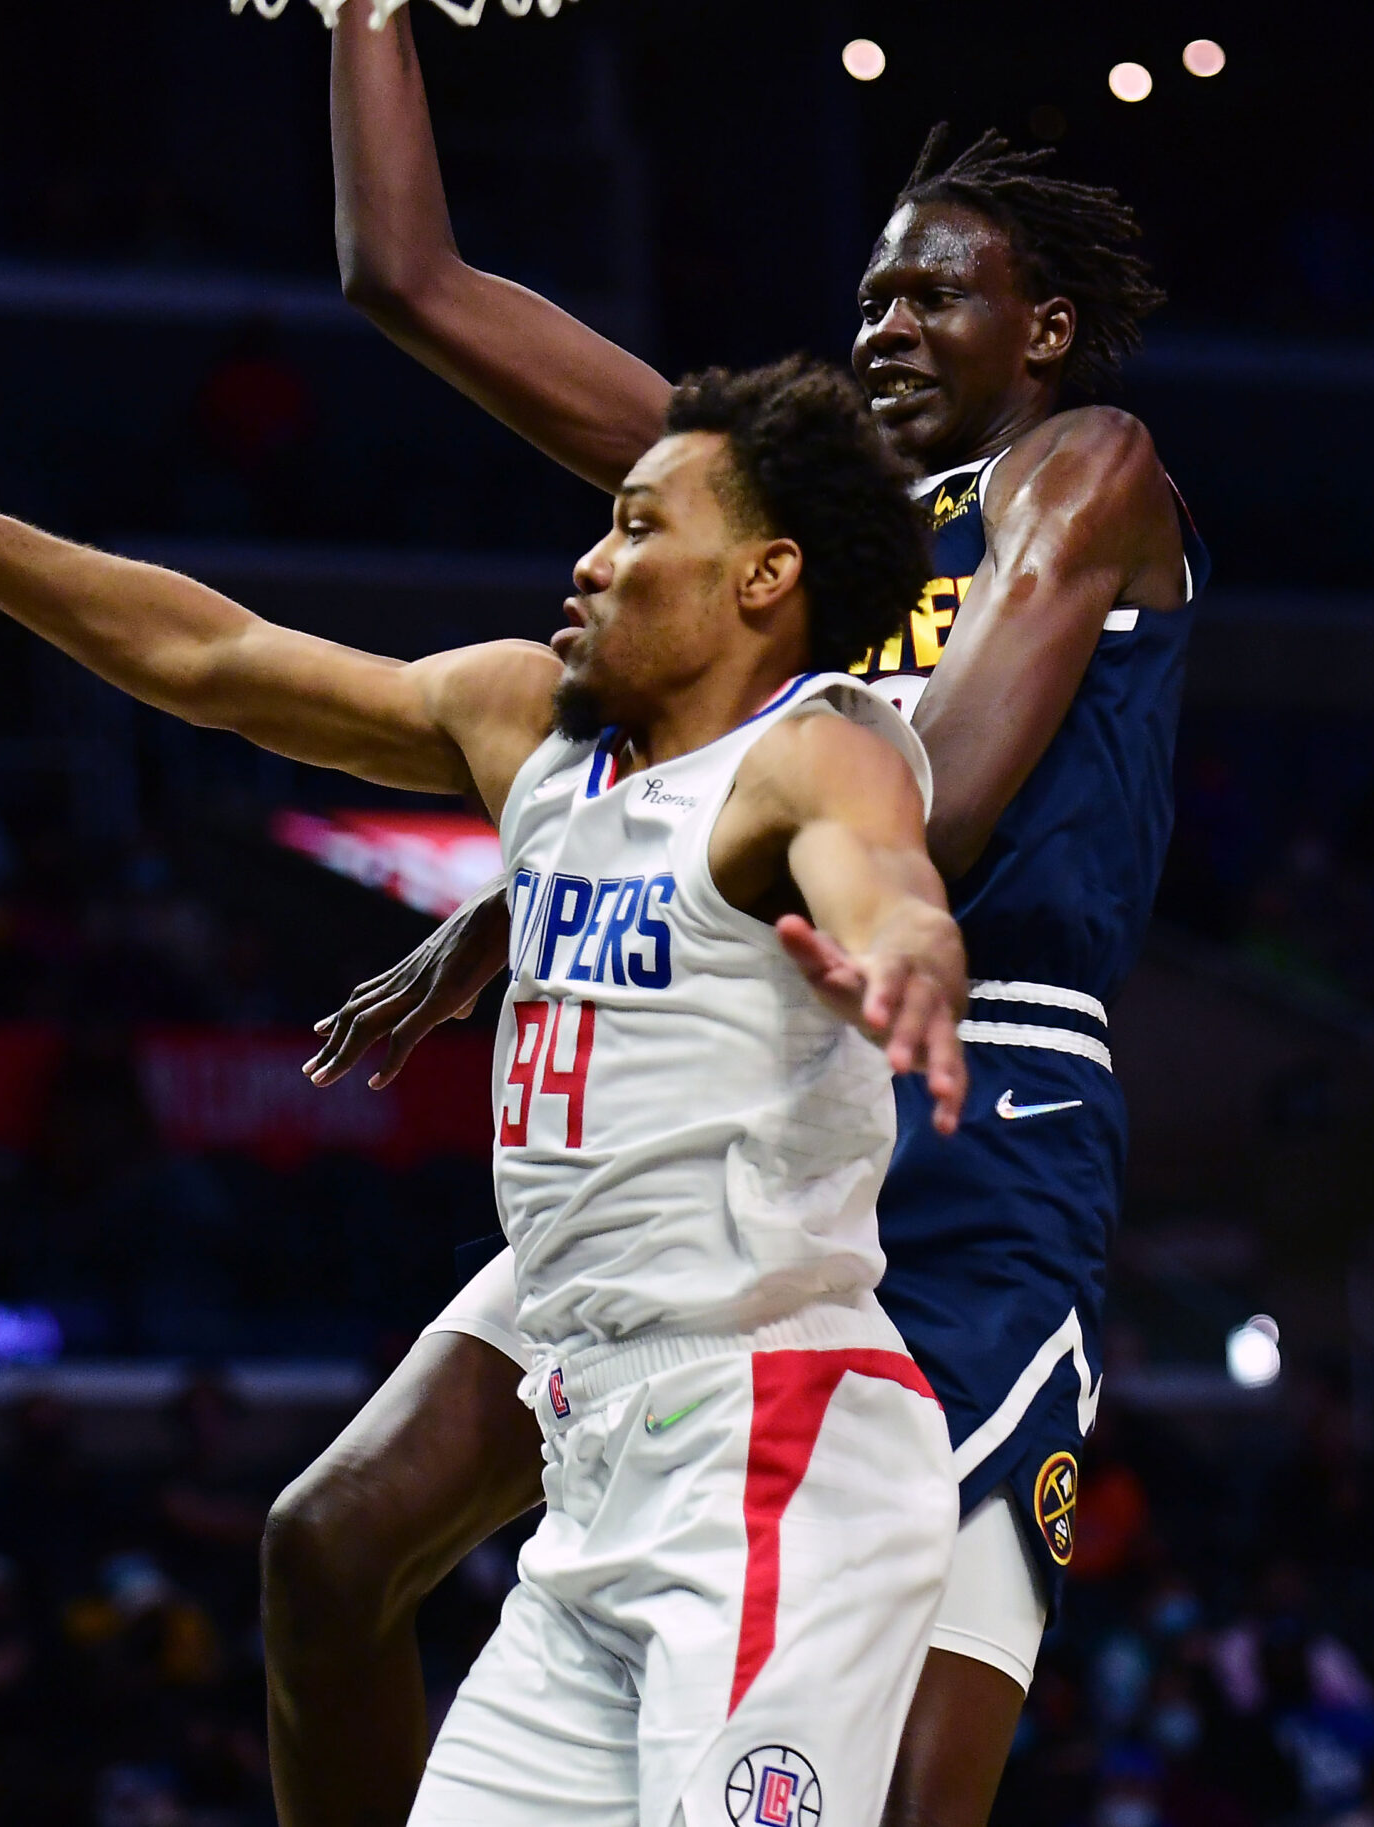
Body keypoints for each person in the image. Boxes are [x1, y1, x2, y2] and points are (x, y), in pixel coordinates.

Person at [0, 353, 975, 1827]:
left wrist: (907, 947)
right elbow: (207, 658)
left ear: (764, 576)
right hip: (591, 1433)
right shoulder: (529, 727)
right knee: (330, 1545)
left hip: (771, 1432)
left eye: (637, 527)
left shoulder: (812, 751)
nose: (590, 560)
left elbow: (882, 869)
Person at [274, 16, 1209, 1827]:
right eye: (872, 294)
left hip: (975, 1109)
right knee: (335, 1545)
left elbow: (918, 802)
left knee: (912, 1795)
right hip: (745, 1075)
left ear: (1046, 332)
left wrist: (603, 854)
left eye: (939, 297)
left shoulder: (1085, 467)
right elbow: (410, 279)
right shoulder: (801, 519)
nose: (886, 325)